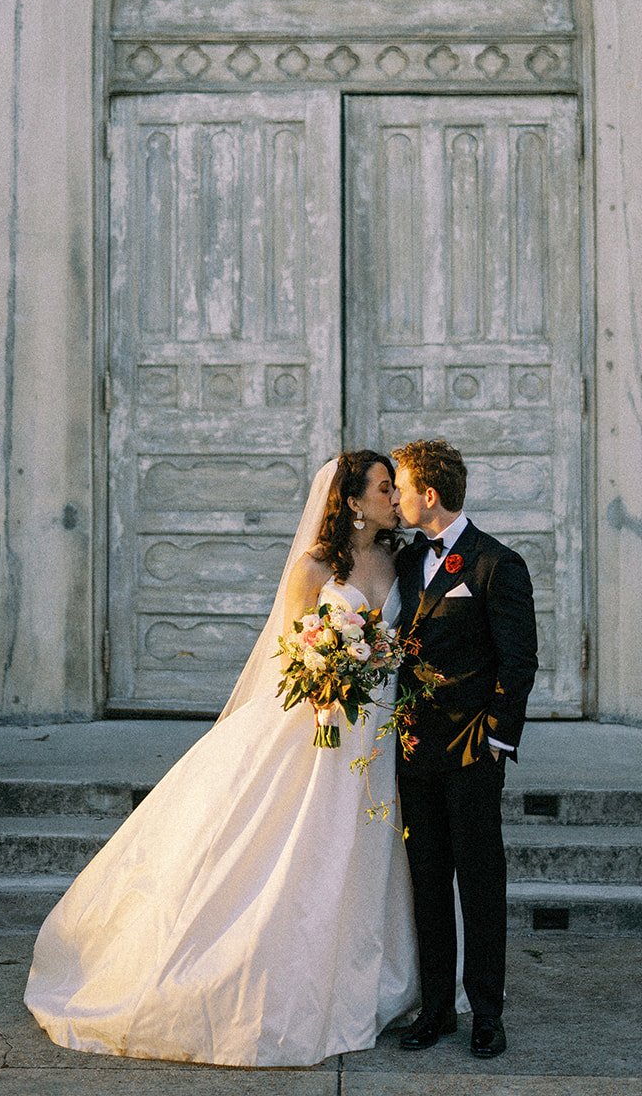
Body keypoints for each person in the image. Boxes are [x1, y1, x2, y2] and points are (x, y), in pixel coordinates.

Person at [24, 452, 419, 1067]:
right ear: (350, 502)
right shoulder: (314, 568)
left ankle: (369, 972)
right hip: (319, 723)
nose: (393, 497)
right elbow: (289, 652)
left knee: (366, 847)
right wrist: (329, 670)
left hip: (380, 728)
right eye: (382, 488)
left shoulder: (400, 559)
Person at [391, 439, 538, 1061]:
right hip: (413, 748)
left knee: (479, 882)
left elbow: (519, 660)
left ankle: (487, 1011)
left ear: (430, 494)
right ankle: (436, 1009)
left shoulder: (496, 564)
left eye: (400, 488)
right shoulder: (402, 562)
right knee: (426, 881)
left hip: (472, 750)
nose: (394, 499)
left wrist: (498, 741)